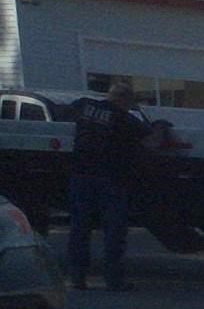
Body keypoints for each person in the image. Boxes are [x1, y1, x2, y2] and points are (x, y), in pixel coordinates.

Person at [64, 81, 151, 291]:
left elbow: (66, 112)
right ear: (126, 101)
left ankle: (77, 277)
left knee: (79, 228)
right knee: (114, 231)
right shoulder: (125, 119)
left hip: (81, 176)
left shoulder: (84, 105)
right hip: (110, 179)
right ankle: (113, 279)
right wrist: (160, 124)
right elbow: (149, 138)